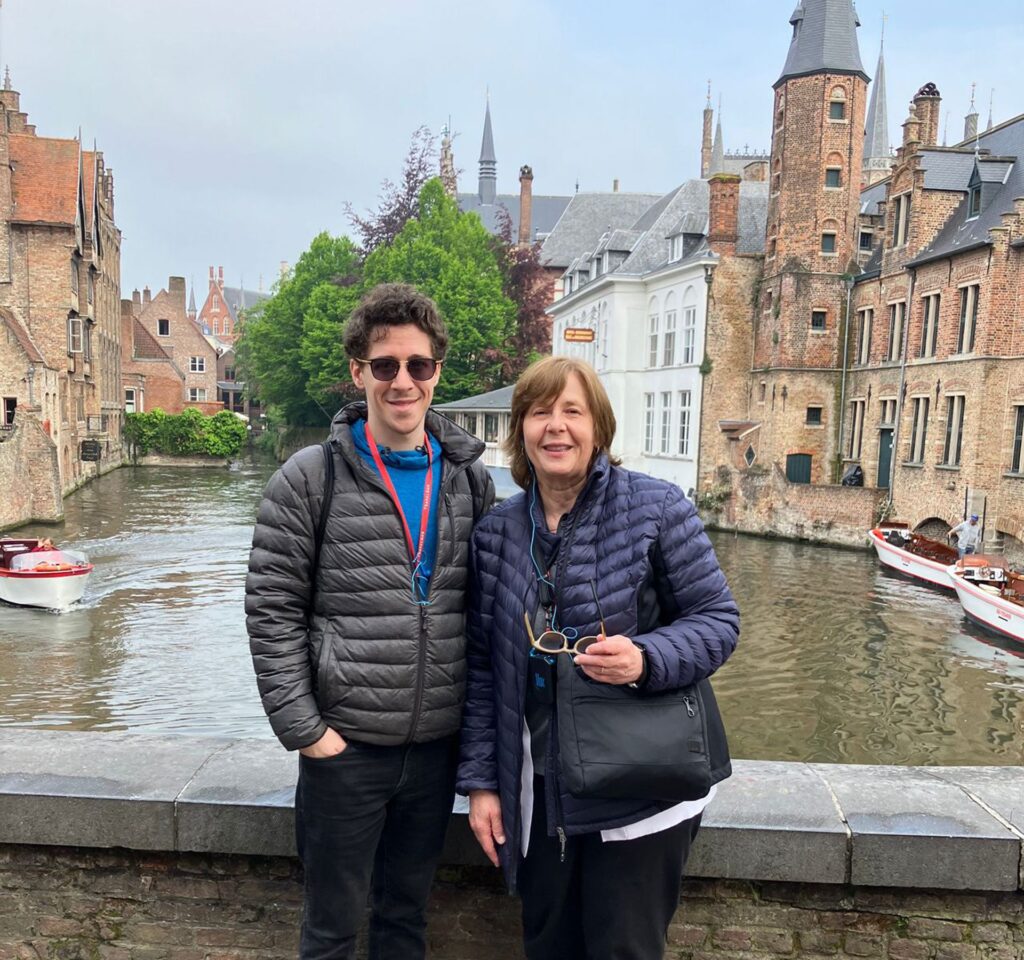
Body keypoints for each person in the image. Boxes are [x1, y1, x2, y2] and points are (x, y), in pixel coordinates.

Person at [457, 357, 739, 960]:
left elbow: (718, 622)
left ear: (599, 428)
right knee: (548, 945)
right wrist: (482, 782)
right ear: (521, 431)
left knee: (624, 950)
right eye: (539, 413)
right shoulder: (496, 533)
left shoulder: (658, 507)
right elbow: (483, 669)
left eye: (572, 411)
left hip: (640, 791)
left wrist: (646, 657)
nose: (555, 427)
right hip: (538, 792)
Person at [246, 283, 494, 960]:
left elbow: (486, 612)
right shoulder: (306, 480)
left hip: (434, 748)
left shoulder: (471, 480)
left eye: (419, 365)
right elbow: (272, 613)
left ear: (438, 371)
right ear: (359, 372)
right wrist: (307, 732)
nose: (403, 381)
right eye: (385, 365)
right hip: (345, 749)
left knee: (404, 921)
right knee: (330, 930)